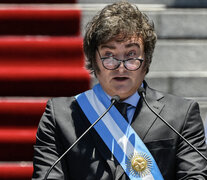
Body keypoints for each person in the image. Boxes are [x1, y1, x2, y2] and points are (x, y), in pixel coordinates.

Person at [32, 1, 207, 179]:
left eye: (131, 55)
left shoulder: (181, 115)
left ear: (146, 60)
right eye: (109, 55)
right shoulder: (60, 116)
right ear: (94, 60)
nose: (120, 67)